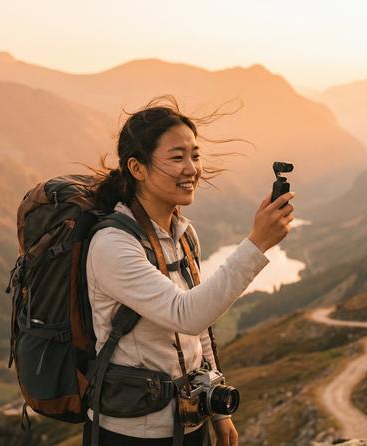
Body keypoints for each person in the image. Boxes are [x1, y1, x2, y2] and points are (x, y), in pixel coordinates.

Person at [82, 99, 295, 446]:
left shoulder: (183, 234)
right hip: (132, 432)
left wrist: (219, 412)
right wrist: (256, 245)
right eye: (177, 157)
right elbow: (187, 315)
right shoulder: (112, 245)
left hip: (190, 422)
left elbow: (201, 333)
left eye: (195, 155)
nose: (192, 169)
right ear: (137, 168)